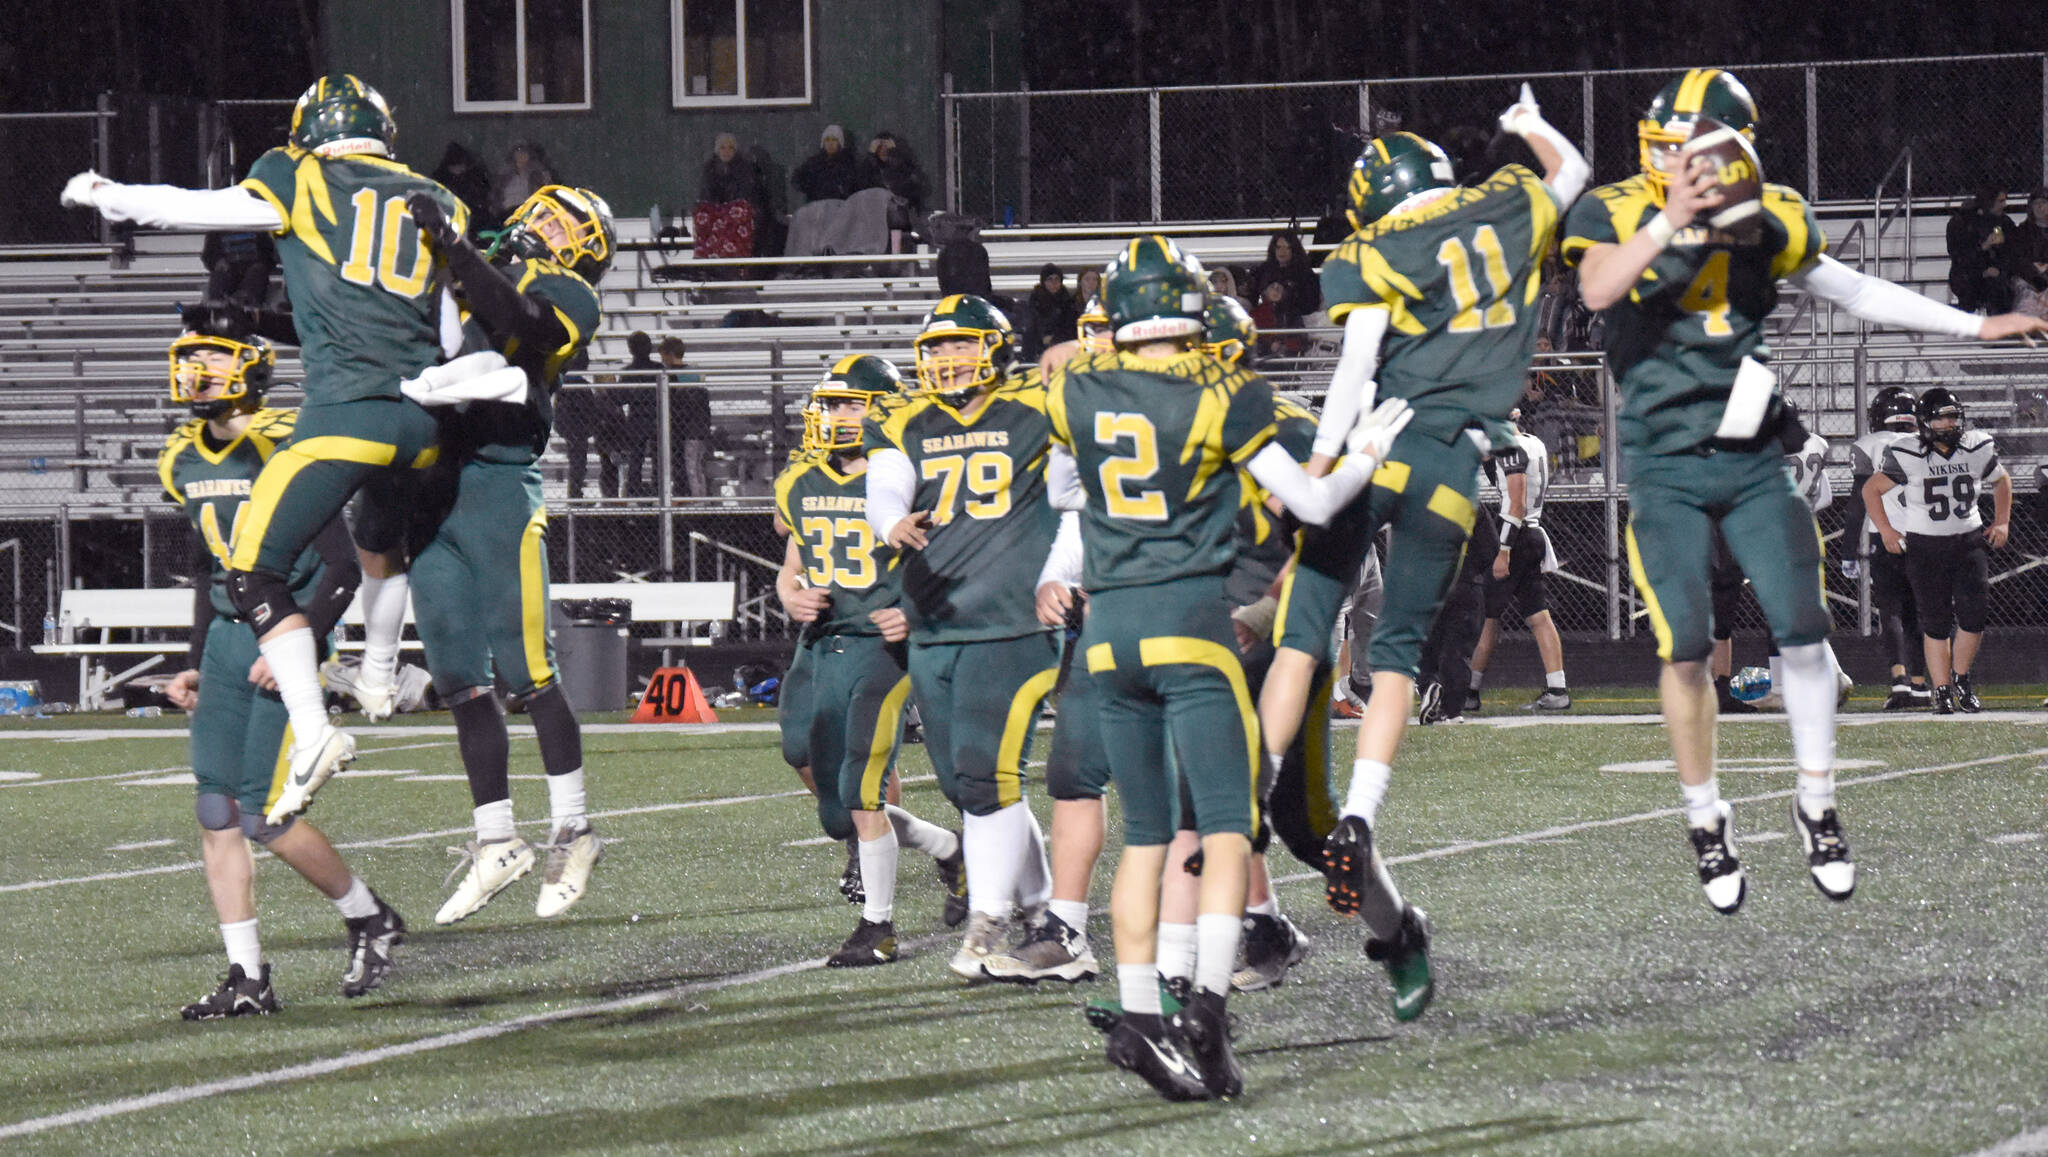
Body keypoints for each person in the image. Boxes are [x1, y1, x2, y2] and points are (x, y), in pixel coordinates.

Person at [1564, 68, 2046, 913]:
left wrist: (1974, 323)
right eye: (1669, 148)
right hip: (1665, 462)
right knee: (1683, 645)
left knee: (1803, 629)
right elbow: (1599, 287)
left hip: (1751, 458)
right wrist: (1674, 218)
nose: (1675, 160)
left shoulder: (1772, 212)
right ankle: (1705, 816)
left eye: (1693, 149)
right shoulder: (1616, 208)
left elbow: (1855, 290)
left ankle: (1816, 801)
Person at [1044, 236, 1408, 1101]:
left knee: (1143, 837)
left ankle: (1141, 1016)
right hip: (1188, 623)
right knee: (1221, 832)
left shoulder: (1076, 390)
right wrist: (1364, 447)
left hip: (1108, 633)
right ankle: (1204, 1009)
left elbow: (1057, 421)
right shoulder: (1226, 393)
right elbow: (1315, 500)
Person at [1259, 87, 1588, 1021]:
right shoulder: (1502, 203)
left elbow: (1357, 365)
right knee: (1398, 646)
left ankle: (1254, 776)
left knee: (1306, 627)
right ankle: (1361, 810)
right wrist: (1526, 121)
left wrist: (1326, 466)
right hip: (1452, 452)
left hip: (1380, 433)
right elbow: (1572, 174)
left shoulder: (1372, 251)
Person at [64, 73, 470, 824]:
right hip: (425, 420)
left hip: (351, 409)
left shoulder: (298, 173)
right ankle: (379, 677)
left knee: (250, 567)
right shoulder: (435, 195)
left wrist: (104, 193)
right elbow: (451, 331)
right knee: (383, 542)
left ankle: (315, 731)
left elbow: (190, 208)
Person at [157, 324, 402, 1017]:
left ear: (248, 368)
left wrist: (293, 644)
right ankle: (247, 974)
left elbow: (342, 565)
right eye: (190, 357)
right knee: (215, 808)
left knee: (262, 814)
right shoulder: (178, 455)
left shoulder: (283, 443)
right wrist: (195, 658)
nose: (195, 370)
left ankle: (369, 915)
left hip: (279, 637)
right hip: (225, 643)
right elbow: (210, 565)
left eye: (210, 357)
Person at [399, 184, 615, 923]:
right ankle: (497, 838)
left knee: (528, 670)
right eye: (546, 209)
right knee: (458, 677)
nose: (544, 221)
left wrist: (456, 250)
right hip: (433, 484)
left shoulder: (565, 287)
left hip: (496, 477)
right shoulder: (468, 261)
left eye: (567, 222)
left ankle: (574, 826)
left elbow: (525, 319)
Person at [861, 295, 1059, 979]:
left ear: (996, 347)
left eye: (962, 344)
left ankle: (990, 917)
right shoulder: (907, 417)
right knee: (967, 782)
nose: (948, 358)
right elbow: (886, 481)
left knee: (987, 774)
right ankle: (1046, 911)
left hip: (1010, 620)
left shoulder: (1038, 402)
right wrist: (890, 523)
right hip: (935, 625)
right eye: (937, 347)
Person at [774, 355, 968, 966]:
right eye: (831, 404)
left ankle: (877, 926)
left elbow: (960, 559)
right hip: (821, 640)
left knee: (861, 783)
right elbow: (792, 568)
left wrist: (914, 608)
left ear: (882, 409)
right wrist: (792, 597)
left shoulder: (912, 475)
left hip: (882, 646)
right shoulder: (799, 480)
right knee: (828, 794)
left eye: (852, 403)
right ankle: (948, 849)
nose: (837, 416)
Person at [1863, 387, 2011, 715]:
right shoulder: (1907, 451)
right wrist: (1886, 530)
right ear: (1925, 421)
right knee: (1936, 622)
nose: (1949, 423)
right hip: (1926, 547)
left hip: (1967, 541)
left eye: (1953, 416)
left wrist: (2002, 521)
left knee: (1974, 618)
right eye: (1942, 417)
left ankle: (1961, 679)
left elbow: (2002, 481)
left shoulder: (1976, 445)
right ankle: (1942, 689)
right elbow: (1871, 489)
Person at [1466, 409, 1571, 711]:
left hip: (1515, 535)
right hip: (1533, 533)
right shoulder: (1534, 442)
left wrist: (1503, 549)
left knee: (1486, 616)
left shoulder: (1511, 447)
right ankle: (1557, 688)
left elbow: (1516, 502)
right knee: (1538, 615)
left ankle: (1469, 691)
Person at [1841, 386, 1930, 708]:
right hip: (1926, 534)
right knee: (1921, 610)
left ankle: (1900, 681)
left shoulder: (1869, 445)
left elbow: (1857, 501)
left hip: (1885, 535)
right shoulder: (1926, 442)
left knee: (1891, 610)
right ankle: (1922, 683)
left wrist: (1848, 549)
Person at [1947, 186, 2013, 315]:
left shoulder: (2004, 222)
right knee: (1977, 285)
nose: (2004, 205)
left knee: (2001, 285)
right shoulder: (1962, 223)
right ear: (1989, 202)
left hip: (1996, 272)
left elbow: (2013, 253)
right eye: (2000, 201)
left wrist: (1999, 269)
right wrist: (1984, 247)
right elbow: (1959, 256)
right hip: (1967, 273)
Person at [611, 332, 662, 496]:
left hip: (637, 418)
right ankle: (658, 488)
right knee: (658, 457)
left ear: (631, 349)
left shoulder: (629, 372)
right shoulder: (658, 369)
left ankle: (634, 489)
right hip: (657, 417)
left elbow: (620, 398)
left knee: (636, 457)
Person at [663, 337, 712, 497]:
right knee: (696, 467)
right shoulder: (695, 374)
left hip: (685, 430)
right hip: (698, 429)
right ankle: (699, 497)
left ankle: (696, 498)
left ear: (669, 354)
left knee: (690, 467)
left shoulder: (670, 375)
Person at [1246, 229, 1321, 318]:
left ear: (1294, 249)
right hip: (1266, 318)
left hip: (1296, 320)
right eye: (1278, 247)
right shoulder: (1263, 270)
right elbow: (1251, 296)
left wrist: (1287, 297)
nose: (1282, 251)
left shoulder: (1305, 273)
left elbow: (1310, 304)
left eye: (1287, 247)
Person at [201, 227, 276, 309]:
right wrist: (217, 261)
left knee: (257, 274)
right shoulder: (216, 230)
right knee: (218, 276)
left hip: (253, 269)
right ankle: (218, 310)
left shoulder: (258, 228)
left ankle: (250, 309)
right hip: (228, 270)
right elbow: (208, 255)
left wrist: (261, 263)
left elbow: (269, 254)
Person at [1022, 263, 1080, 361]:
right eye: (1050, 279)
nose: (1054, 283)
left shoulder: (1067, 302)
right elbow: (1031, 328)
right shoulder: (1035, 301)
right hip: (1038, 350)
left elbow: (1069, 327)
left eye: (1057, 279)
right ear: (1043, 282)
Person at [429, 141, 493, 228]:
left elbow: (484, 196)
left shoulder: (474, 176)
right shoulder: (441, 178)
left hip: (475, 220)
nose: (459, 169)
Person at [2005, 187, 2048, 317]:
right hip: (2028, 276)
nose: (2039, 207)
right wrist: (2036, 274)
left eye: (2043, 203)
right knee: (2027, 292)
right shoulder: (2022, 231)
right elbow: (2018, 258)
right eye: (2036, 203)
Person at [792, 124, 861, 203]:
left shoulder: (849, 164)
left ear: (840, 143)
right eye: (827, 139)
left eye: (834, 139)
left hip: (841, 210)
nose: (830, 143)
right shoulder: (814, 163)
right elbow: (797, 180)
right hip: (818, 211)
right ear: (823, 143)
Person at [492, 140, 555, 220]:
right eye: (518, 150)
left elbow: (548, 192)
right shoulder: (504, 175)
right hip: (506, 214)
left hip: (527, 214)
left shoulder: (538, 174)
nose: (521, 154)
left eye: (524, 151)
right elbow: (495, 196)